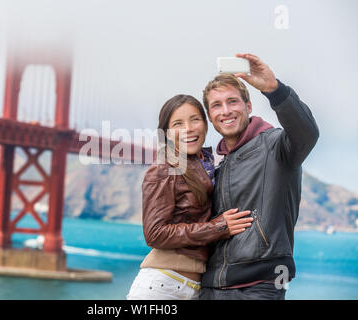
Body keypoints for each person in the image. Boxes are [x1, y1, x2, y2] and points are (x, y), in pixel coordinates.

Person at [199, 53, 319, 300]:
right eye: (216, 105)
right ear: (210, 117)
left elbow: (307, 133)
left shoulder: (276, 145)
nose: (226, 111)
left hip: (258, 287)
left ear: (248, 106)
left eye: (233, 101)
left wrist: (275, 90)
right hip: (211, 287)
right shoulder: (213, 163)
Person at [126, 94, 254, 300]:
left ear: (205, 124)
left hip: (194, 288)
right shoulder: (163, 169)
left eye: (195, 119)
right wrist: (218, 227)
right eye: (178, 123)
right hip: (162, 287)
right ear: (166, 134)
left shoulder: (209, 165)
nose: (188, 128)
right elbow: (155, 234)